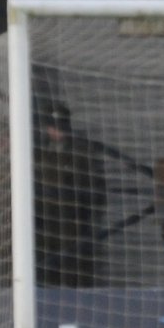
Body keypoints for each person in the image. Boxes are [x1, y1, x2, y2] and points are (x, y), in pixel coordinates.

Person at [33, 102, 107, 287]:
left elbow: (96, 188)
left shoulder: (81, 153)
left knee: (76, 272)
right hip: (46, 224)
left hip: (73, 223)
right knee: (49, 273)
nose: (56, 132)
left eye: (60, 128)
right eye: (53, 128)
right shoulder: (39, 154)